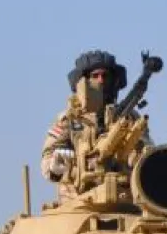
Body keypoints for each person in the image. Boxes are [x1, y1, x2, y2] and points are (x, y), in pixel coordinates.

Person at [40, 50, 133, 196]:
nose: (101, 80)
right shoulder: (69, 119)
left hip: (123, 195)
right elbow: (48, 157)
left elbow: (145, 153)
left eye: (105, 76)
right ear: (84, 81)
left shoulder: (128, 117)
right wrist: (55, 165)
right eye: (95, 76)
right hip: (77, 197)